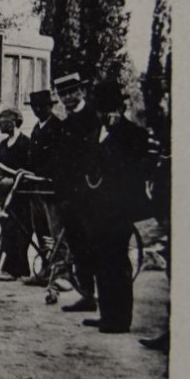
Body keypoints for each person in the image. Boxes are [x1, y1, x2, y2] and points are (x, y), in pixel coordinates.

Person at [74, 81, 150, 334]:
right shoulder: (96, 133)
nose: (105, 115)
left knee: (116, 262)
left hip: (120, 209)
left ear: (120, 107)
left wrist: (116, 136)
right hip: (96, 210)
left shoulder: (134, 135)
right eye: (101, 111)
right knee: (100, 261)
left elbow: (133, 172)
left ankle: (120, 319)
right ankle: (106, 312)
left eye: (110, 110)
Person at [53, 72, 101, 313]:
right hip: (68, 196)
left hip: (88, 195)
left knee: (93, 244)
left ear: (81, 92)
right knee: (78, 245)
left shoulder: (93, 118)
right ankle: (87, 294)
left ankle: (99, 295)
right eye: (63, 94)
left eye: (72, 92)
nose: (68, 97)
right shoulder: (66, 122)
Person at [20, 89, 67, 286]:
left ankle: (62, 275)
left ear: (50, 107)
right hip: (36, 187)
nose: (38, 110)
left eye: (42, 107)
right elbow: (32, 157)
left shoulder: (58, 127)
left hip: (51, 188)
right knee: (41, 231)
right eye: (34, 107)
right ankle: (45, 270)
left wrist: (43, 174)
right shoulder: (37, 129)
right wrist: (27, 172)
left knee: (56, 231)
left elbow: (59, 159)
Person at [0, 107, 32, 278]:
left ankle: (15, 269)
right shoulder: (2, 145)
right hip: (3, 194)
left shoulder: (25, 143)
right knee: (6, 229)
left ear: (12, 123)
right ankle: (15, 267)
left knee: (19, 230)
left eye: (2, 121)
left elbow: (28, 169)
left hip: (20, 195)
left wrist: (13, 181)